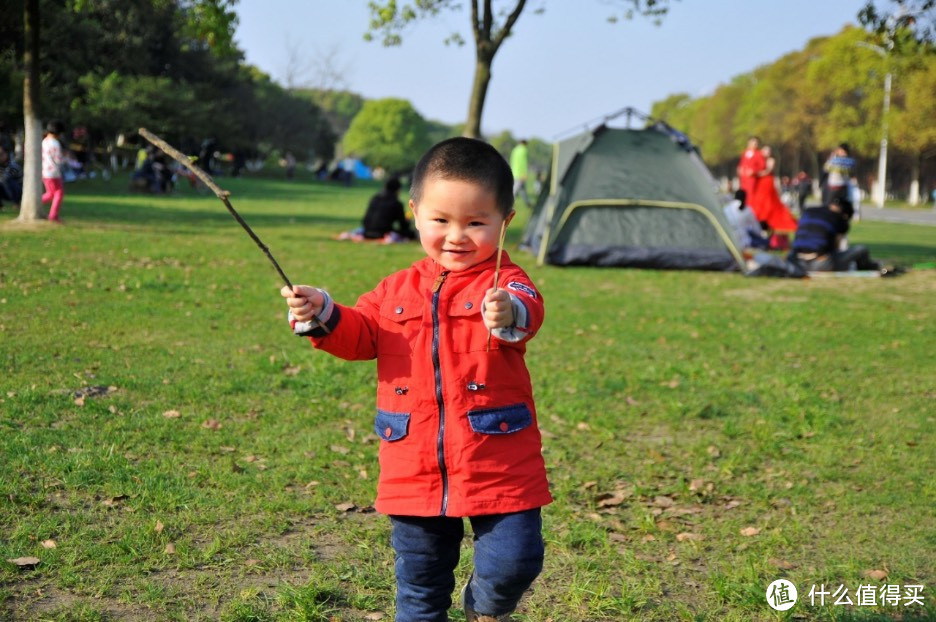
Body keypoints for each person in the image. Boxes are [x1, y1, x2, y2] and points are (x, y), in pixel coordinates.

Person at [281, 137, 550, 622]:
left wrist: (509, 311)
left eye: (475, 223)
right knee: (421, 587)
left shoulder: (507, 282)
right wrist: (321, 311)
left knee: (516, 560)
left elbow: (529, 311)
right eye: (441, 220)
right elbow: (361, 335)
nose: (456, 236)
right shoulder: (395, 289)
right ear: (415, 212)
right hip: (413, 462)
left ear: (505, 222)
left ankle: (485, 606)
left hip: (500, 457)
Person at [788, 193, 880, 272]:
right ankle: (868, 267)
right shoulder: (839, 218)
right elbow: (835, 249)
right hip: (820, 264)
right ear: (845, 215)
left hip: (796, 261)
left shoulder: (808, 211)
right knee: (861, 249)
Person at [751, 145, 798, 235]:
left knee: (769, 201)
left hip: (767, 181)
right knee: (760, 201)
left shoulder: (771, 160)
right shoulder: (759, 160)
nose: (767, 153)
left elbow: (768, 171)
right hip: (760, 183)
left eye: (769, 151)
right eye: (765, 151)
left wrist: (755, 174)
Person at [360, 176, 415, 241]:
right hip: (382, 233)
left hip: (366, 232)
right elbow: (403, 226)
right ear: (397, 190)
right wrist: (408, 221)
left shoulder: (375, 198)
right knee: (411, 234)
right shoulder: (396, 203)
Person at [41, 121, 65, 222]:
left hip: (45, 171)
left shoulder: (44, 141)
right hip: (53, 172)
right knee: (58, 193)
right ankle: (53, 215)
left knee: (51, 193)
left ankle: (34, 203)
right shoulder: (55, 143)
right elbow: (58, 159)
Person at [736, 136, 765, 202]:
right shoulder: (744, 153)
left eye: (756, 143)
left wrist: (754, 171)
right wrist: (740, 169)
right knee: (743, 193)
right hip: (744, 178)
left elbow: (762, 166)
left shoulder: (758, 154)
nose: (754, 144)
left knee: (750, 194)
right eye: (753, 142)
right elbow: (741, 163)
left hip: (752, 178)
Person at [0, 143, 23, 210]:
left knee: (5, 179)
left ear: (7, 154)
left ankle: (16, 203)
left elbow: (5, 178)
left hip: (18, 191)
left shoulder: (13, 166)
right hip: (7, 191)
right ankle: (1, 206)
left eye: (1, 154)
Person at [509, 139, 530, 206]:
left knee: (523, 190)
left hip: (514, 172)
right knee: (515, 189)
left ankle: (527, 203)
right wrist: (524, 173)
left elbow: (512, 161)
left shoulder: (514, 150)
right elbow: (523, 163)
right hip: (520, 173)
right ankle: (509, 203)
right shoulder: (524, 150)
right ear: (525, 144)